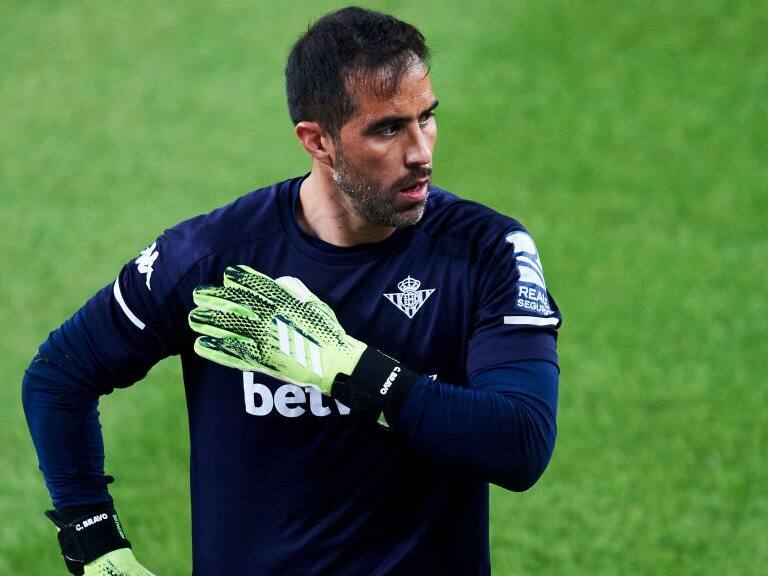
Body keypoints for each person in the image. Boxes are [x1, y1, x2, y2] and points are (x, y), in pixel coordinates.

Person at [23, 6, 562, 575]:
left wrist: (352, 368)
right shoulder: (214, 259)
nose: (420, 152)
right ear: (317, 140)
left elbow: (520, 442)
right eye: (386, 129)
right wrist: (94, 546)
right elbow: (60, 375)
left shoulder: (486, 249)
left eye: (426, 118)